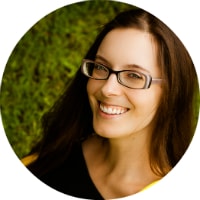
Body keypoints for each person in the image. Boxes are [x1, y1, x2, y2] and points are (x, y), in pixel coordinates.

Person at [22, 7, 199, 199]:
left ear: (173, 91)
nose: (107, 89)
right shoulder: (54, 155)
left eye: (133, 75)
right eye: (100, 67)